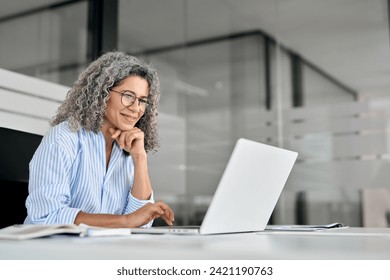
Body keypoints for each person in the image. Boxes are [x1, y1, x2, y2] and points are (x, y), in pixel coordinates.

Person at [24, 51, 175, 228]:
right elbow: (45, 216)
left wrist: (140, 158)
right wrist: (126, 221)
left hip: (106, 251)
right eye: (128, 96)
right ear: (103, 94)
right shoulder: (64, 138)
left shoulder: (127, 148)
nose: (136, 108)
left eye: (142, 100)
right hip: (56, 251)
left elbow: (140, 225)